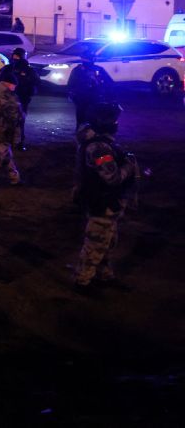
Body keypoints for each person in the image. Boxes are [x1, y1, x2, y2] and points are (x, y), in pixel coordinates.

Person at [72, 103, 139, 293]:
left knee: (107, 242)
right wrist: (129, 165)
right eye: (115, 120)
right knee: (95, 244)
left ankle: (104, 275)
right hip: (101, 203)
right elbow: (113, 177)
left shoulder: (100, 143)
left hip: (107, 203)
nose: (117, 124)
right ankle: (82, 281)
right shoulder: (99, 148)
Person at [68, 56, 113, 129]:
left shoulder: (98, 69)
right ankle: (82, 129)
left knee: (91, 113)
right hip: (83, 95)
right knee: (82, 112)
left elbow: (108, 82)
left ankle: (90, 129)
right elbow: (71, 82)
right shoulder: (78, 70)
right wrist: (71, 93)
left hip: (94, 95)